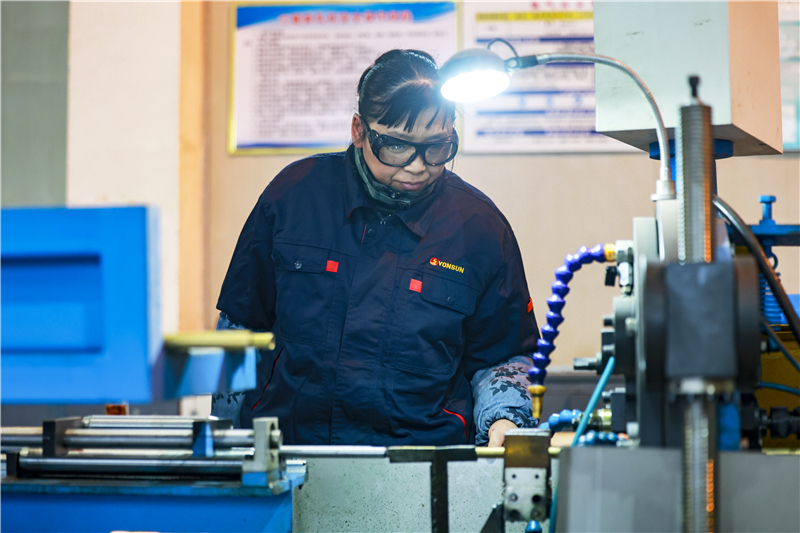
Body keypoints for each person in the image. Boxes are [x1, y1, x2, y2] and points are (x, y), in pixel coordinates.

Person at [213, 49, 539, 447]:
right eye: (397, 146)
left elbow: (504, 355)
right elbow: (239, 329)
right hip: (290, 454)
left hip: (421, 462)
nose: (418, 165)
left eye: (437, 146)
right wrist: (225, 445)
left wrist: (505, 420)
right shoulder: (294, 197)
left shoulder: (479, 227)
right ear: (359, 130)